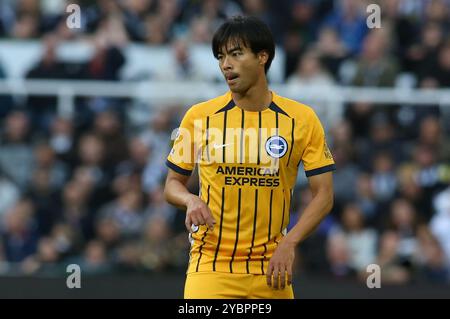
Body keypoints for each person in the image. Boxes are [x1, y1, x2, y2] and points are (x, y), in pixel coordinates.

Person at [164, 16, 335, 299]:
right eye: (221, 56)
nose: (225, 65)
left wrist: (289, 244)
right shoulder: (198, 117)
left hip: (272, 269)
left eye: (235, 54)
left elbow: (324, 195)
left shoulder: (302, 119)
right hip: (211, 266)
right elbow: (172, 184)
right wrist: (189, 199)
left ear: (262, 57)